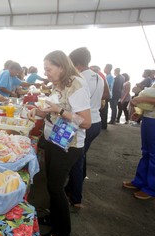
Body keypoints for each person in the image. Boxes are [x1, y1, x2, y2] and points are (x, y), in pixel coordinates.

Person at [28, 50, 91, 236]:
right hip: (55, 140)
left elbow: (86, 122)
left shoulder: (77, 85)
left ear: (61, 67)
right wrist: (37, 112)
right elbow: (54, 113)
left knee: (56, 187)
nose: (46, 73)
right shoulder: (60, 84)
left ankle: (62, 232)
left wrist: (59, 110)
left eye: (49, 69)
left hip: (69, 145)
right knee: (51, 184)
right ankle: (53, 217)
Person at [65, 47, 103, 208]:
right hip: (97, 121)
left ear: (77, 64)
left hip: (84, 124)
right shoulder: (99, 76)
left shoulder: (79, 78)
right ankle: (75, 185)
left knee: (76, 160)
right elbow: (106, 96)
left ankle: (76, 197)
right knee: (81, 156)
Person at [122, 51, 155, 200]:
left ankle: (151, 188)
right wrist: (140, 112)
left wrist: (141, 99)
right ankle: (140, 181)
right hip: (150, 118)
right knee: (146, 152)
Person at [101, 63, 114, 129]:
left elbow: (107, 87)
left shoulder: (109, 77)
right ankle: (103, 124)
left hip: (106, 95)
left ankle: (103, 125)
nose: (104, 69)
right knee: (104, 109)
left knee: (103, 110)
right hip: (108, 95)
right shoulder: (108, 76)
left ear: (108, 69)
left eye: (105, 68)